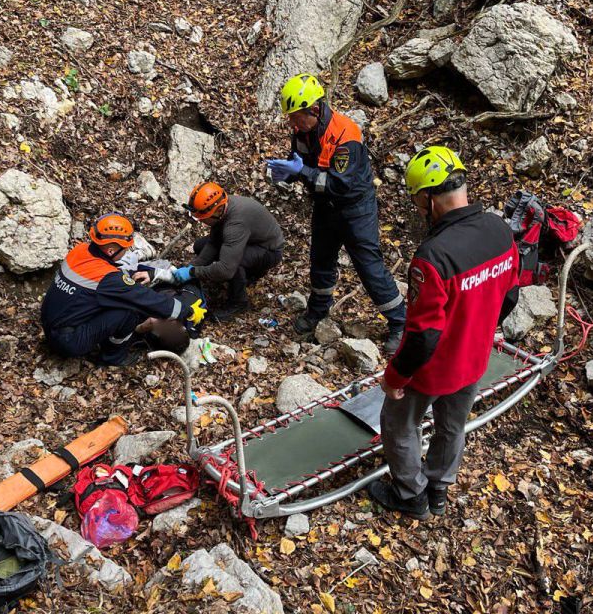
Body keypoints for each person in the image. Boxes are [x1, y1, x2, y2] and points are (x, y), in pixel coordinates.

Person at [367, 147, 520, 519]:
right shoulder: (500, 231)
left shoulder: (433, 256)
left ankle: (411, 495)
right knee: (453, 425)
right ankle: (438, 489)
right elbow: (510, 296)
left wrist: (395, 377)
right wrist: (478, 330)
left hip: (433, 368)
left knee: (398, 423)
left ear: (428, 198)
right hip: (475, 357)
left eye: (418, 201)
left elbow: (423, 335)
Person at [266, 73, 406, 352]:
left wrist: (302, 172)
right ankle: (318, 311)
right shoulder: (303, 131)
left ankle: (400, 323)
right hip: (325, 206)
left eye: (295, 116)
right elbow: (307, 167)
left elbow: (339, 184)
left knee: (369, 266)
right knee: (320, 260)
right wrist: (288, 173)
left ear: (314, 110)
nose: (292, 123)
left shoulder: (346, 133)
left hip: (355, 208)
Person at [40, 212, 206, 366]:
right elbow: (146, 299)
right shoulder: (108, 280)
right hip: (67, 340)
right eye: (125, 248)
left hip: (52, 321)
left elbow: (106, 274)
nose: (127, 251)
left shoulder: (81, 250)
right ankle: (113, 358)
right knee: (128, 312)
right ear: (111, 250)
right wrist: (186, 311)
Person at [168, 182, 285, 322]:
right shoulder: (223, 207)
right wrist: (191, 266)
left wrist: (193, 272)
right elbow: (213, 242)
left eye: (203, 219)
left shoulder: (235, 225)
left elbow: (226, 270)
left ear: (216, 211)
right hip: (248, 239)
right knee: (200, 245)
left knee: (235, 264)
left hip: (269, 250)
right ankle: (244, 275)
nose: (201, 222)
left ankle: (239, 302)